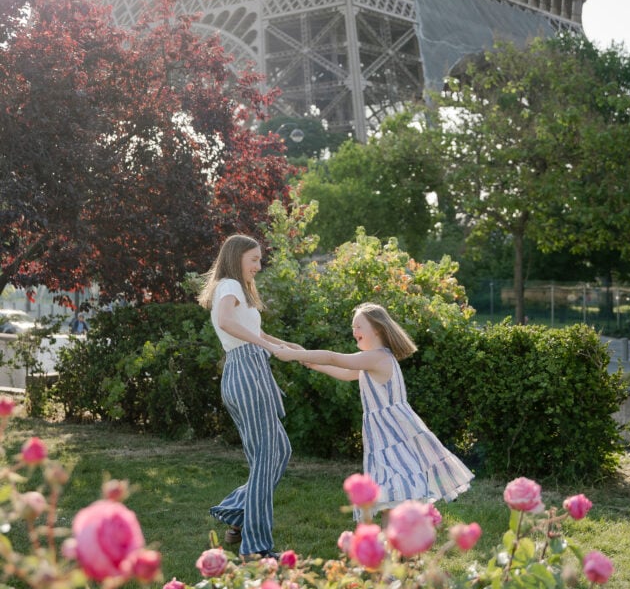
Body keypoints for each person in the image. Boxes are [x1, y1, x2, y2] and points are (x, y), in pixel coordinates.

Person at [276, 303, 473, 524]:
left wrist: (292, 355)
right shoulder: (374, 359)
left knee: (397, 484)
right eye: (353, 327)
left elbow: (334, 357)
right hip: (385, 432)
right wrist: (314, 364)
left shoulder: (377, 357)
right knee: (391, 488)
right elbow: (346, 372)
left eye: (358, 326)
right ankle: (402, 542)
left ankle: (406, 539)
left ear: (377, 328)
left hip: (392, 433)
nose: (354, 331)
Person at [198, 234, 298, 560]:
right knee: (266, 458)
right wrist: (268, 348)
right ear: (237, 257)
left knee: (277, 452)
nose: (258, 265)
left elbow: (256, 333)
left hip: (248, 374)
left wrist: (289, 347)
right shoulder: (230, 286)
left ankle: (237, 516)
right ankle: (255, 547)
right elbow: (227, 322)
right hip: (246, 375)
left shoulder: (235, 289)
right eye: (253, 259)